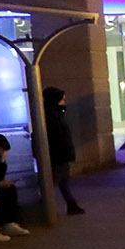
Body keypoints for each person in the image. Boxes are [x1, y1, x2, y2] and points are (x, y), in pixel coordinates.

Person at [42, 87, 83, 215]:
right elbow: (58, 137)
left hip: (61, 154)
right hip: (59, 155)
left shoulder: (55, 114)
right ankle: (46, 207)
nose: (64, 101)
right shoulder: (52, 116)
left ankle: (71, 204)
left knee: (63, 180)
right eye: (62, 99)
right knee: (55, 180)